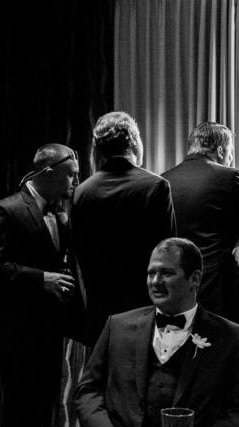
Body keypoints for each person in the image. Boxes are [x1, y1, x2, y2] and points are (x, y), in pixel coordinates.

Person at [75, 238, 239, 427]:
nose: (155, 282)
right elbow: (87, 390)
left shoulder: (233, 339)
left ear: (194, 280)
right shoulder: (117, 326)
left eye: (166, 273)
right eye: (151, 273)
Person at [0, 143, 80, 427]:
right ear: (48, 172)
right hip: (16, 333)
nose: (76, 181)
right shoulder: (6, 210)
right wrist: (40, 279)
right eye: (71, 175)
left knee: (39, 412)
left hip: (47, 330)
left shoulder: (58, 212)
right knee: (16, 417)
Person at [72, 111, 176, 345]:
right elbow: (167, 251)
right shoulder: (156, 186)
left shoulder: (82, 192)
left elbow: (79, 253)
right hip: (144, 308)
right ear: (135, 142)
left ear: (98, 149)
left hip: (100, 311)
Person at [162, 122, 239, 325]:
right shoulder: (230, 178)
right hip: (223, 293)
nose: (231, 158)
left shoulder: (164, 180)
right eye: (230, 152)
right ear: (221, 150)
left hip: (178, 289)